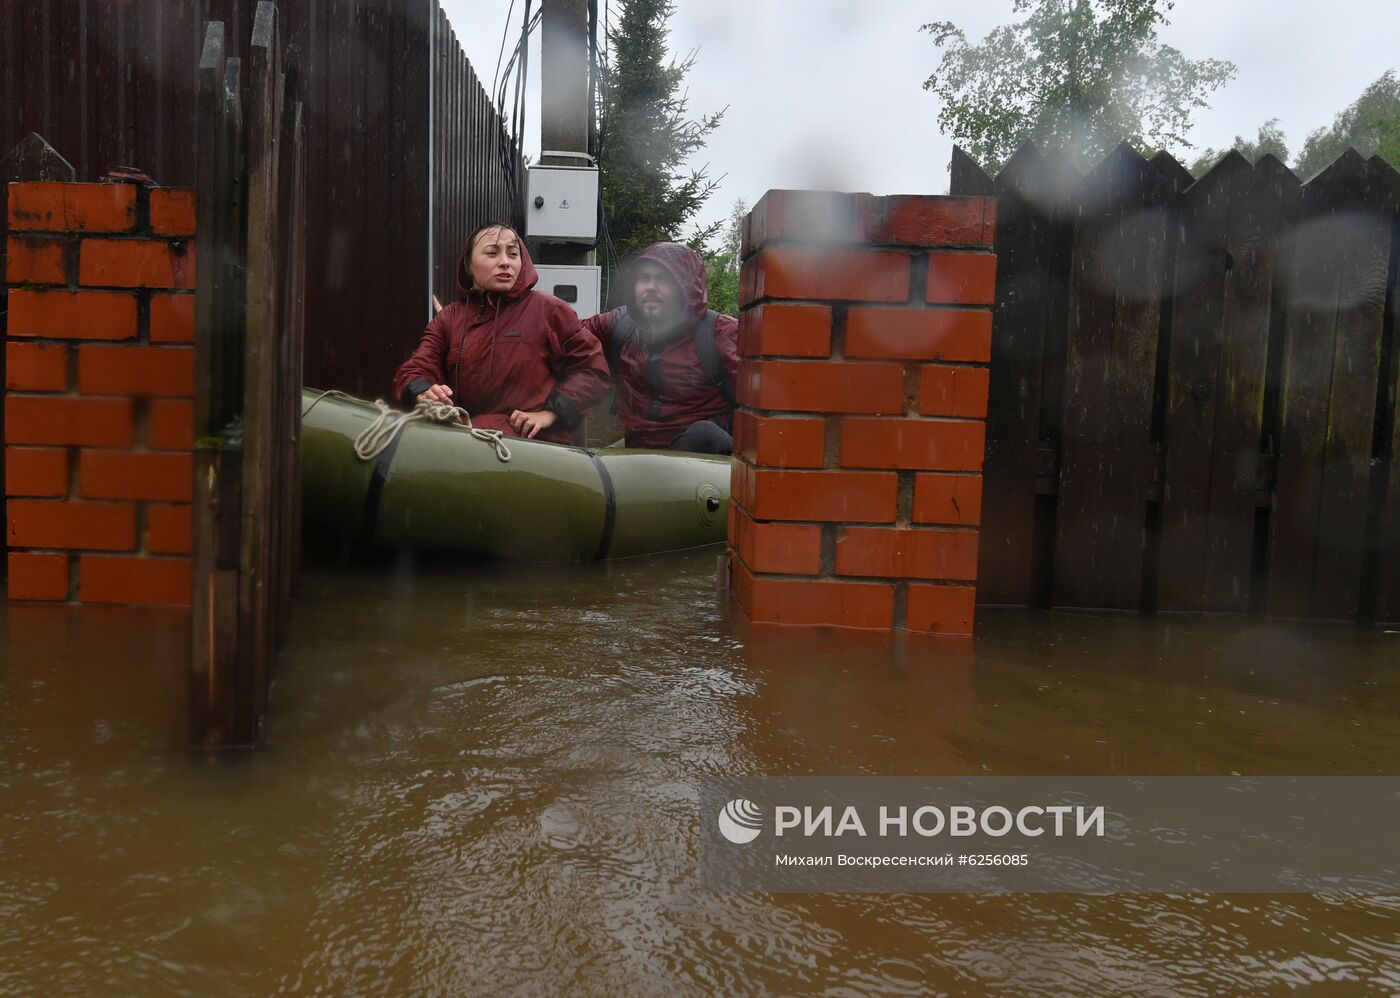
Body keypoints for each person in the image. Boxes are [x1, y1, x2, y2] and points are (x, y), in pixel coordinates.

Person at [393, 223, 610, 444]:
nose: (505, 262)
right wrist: (423, 391)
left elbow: (592, 369)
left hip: (533, 449)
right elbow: (417, 367)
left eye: (513, 254)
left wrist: (551, 413)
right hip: (464, 442)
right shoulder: (449, 318)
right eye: (492, 253)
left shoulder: (548, 309)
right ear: (468, 265)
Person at [583, 242, 739, 453]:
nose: (650, 287)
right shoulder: (620, 325)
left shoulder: (722, 334)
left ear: (685, 286)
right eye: (643, 278)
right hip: (640, 461)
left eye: (663, 279)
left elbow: (767, 409)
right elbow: (563, 336)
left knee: (705, 434)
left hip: (705, 468)